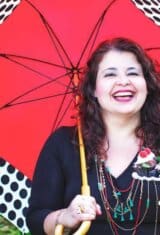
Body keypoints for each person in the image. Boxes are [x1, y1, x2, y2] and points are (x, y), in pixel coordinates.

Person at [26, 37, 160, 235]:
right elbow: (36, 219)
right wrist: (64, 216)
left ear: (147, 85)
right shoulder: (64, 144)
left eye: (133, 73)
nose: (123, 81)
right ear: (94, 90)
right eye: (110, 74)